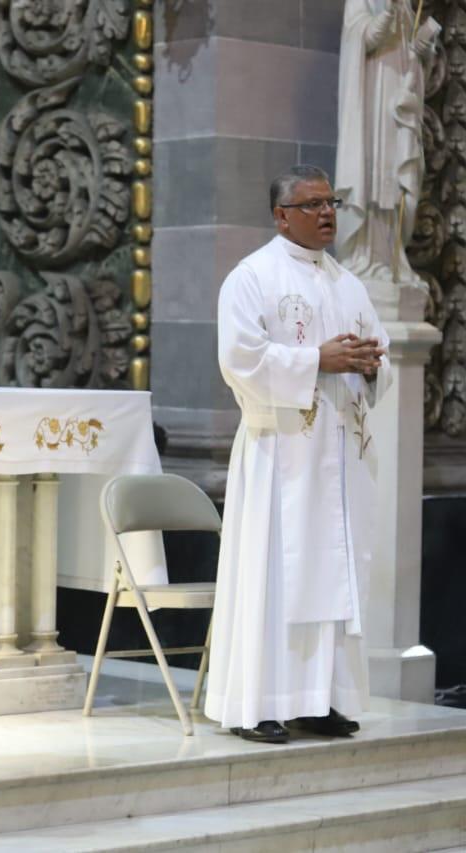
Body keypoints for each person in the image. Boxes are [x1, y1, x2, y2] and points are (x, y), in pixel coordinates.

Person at [205, 165, 391, 744]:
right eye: (312, 204)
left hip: (336, 455)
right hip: (278, 453)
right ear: (281, 215)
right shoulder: (251, 277)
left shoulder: (347, 282)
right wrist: (318, 361)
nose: (327, 212)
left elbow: (370, 351)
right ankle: (254, 706)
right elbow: (239, 360)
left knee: (332, 576)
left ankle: (316, 700)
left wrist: (367, 363)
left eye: (331, 201)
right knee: (274, 576)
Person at [335, 0, 439, 310]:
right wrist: (390, 12)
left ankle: (394, 262)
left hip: (398, 105)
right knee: (373, 178)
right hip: (373, 102)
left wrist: (421, 52)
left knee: (396, 179)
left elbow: (411, 60)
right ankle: (366, 258)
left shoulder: (407, 7)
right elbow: (363, 38)